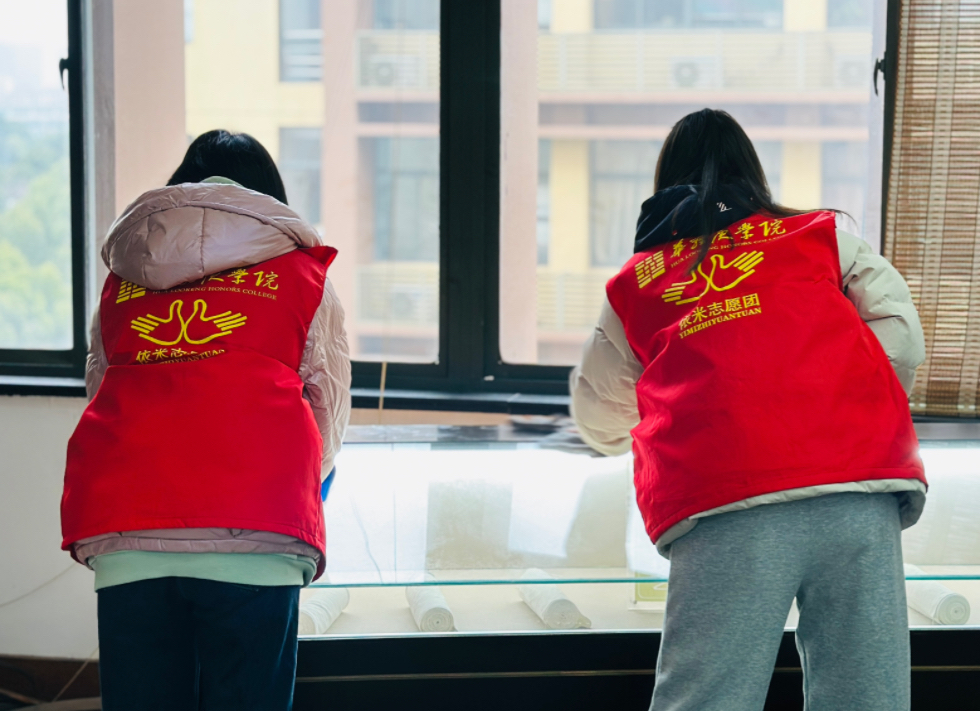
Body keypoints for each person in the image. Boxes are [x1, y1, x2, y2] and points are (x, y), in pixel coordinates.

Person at [570, 109, 926, 711]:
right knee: (867, 694)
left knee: (708, 697)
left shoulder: (639, 282)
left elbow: (599, 414)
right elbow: (902, 341)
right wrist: (829, 395)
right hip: (859, 488)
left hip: (726, 500)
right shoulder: (823, 238)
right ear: (753, 174)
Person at [61, 130, 351, 711]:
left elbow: (103, 387)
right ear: (268, 196)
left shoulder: (123, 281)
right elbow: (327, 406)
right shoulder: (304, 277)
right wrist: (305, 482)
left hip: (130, 531)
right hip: (258, 533)